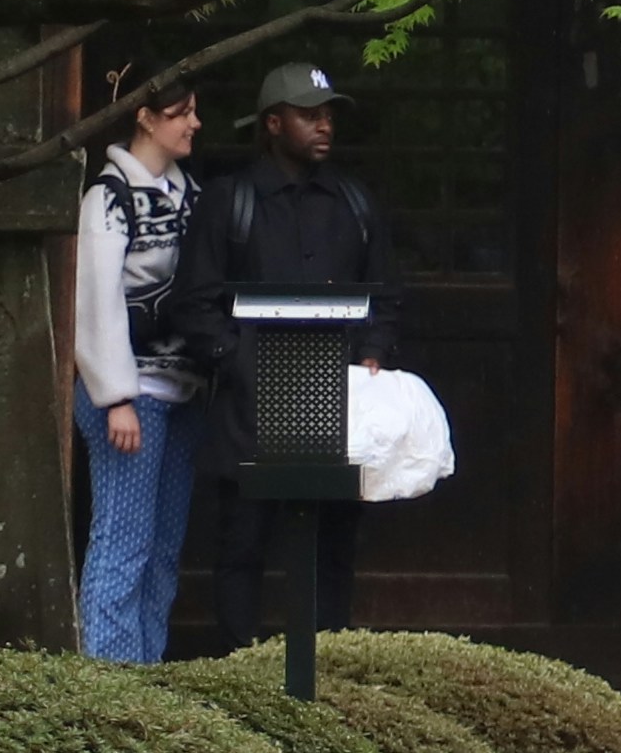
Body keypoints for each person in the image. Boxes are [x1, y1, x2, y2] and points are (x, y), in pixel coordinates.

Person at [173, 62, 393, 653]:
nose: (324, 126)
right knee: (242, 546)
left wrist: (371, 354)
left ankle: (329, 669)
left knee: (332, 548)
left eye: (328, 115)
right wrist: (236, 359)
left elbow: (385, 297)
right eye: (309, 115)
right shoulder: (231, 201)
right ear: (273, 123)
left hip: (337, 403)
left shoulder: (354, 202)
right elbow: (194, 303)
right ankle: (238, 668)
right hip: (247, 408)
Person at [67, 79, 206, 660]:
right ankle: (109, 681)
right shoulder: (110, 195)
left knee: (163, 548)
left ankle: (150, 678)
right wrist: (114, 395)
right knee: (122, 542)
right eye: (182, 112)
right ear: (145, 118)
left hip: (184, 387)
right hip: (131, 393)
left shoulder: (190, 192)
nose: (194, 123)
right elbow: (94, 299)